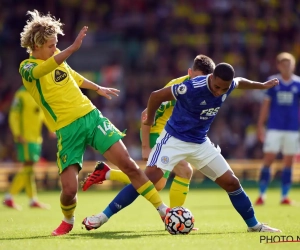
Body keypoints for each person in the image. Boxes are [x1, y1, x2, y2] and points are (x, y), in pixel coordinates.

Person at [82, 63, 281, 233]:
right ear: (211, 77)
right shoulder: (191, 87)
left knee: (232, 182)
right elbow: (155, 96)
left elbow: (241, 82)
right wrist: (149, 119)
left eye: (224, 89)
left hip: (200, 143)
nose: (219, 92)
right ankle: (102, 217)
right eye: (217, 87)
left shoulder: (228, 85)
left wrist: (261, 85)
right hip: (173, 141)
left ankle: (254, 226)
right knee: (147, 180)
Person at [19, 9, 168, 236]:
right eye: (50, 45)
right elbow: (43, 69)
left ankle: (163, 211)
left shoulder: (57, 56)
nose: (55, 48)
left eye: (56, 44)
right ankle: (68, 220)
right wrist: (72, 49)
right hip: (67, 129)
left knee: (128, 164)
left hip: (91, 116)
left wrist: (97, 87)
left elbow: (73, 76)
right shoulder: (27, 68)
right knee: (69, 190)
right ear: (37, 45)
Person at [82, 55, 216, 209]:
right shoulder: (178, 88)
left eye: (204, 79)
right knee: (185, 171)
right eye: (197, 78)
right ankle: (175, 217)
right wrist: (145, 146)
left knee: (157, 184)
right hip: (155, 132)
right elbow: (146, 114)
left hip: (170, 135)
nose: (199, 83)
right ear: (190, 72)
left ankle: (107, 173)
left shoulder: (205, 90)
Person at [255, 52, 300, 205]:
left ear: (293, 66)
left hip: (293, 128)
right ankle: (262, 194)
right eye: (284, 64)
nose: (287, 67)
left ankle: (284, 196)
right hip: (274, 127)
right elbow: (265, 105)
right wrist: (260, 125)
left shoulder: (298, 84)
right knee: (268, 159)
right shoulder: (273, 82)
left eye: (289, 64)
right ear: (279, 66)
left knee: (289, 162)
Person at [3, 86, 53, 210]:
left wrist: (51, 128)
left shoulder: (38, 93)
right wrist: (17, 133)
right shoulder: (20, 95)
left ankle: (32, 199)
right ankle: (9, 197)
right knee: (28, 166)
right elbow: (13, 115)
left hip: (36, 138)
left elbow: (42, 113)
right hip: (25, 138)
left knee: (29, 168)